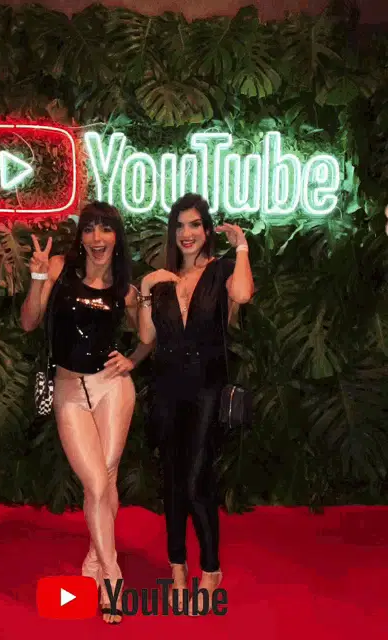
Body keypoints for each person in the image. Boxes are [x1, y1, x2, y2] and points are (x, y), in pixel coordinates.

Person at [21, 201, 153, 624]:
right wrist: (37, 277)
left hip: (113, 387)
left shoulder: (125, 289)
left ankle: (97, 564)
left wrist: (133, 358)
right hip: (69, 390)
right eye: (90, 229)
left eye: (105, 229)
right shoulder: (60, 269)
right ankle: (110, 570)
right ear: (81, 236)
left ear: (116, 237)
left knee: (106, 480)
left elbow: (147, 336)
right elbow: (29, 322)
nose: (97, 238)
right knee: (96, 482)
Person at [138, 193, 254, 613]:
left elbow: (243, 293)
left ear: (206, 230)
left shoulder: (220, 270)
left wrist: (241, 248)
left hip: (207, 389)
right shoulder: (162, 279)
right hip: (167, 388)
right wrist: (146, 290)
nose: (186, 233)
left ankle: (210, 568)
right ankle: (177, 567)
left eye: (194, 225)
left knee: (196, 478)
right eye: (180, 226)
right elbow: (147, 337)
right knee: (172, 479)